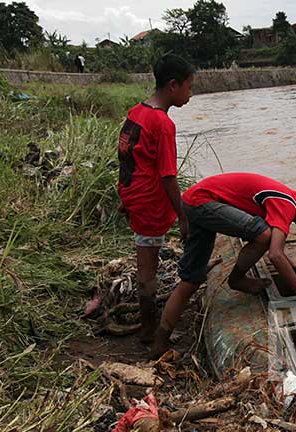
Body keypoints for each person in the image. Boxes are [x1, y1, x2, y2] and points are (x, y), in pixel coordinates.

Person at [149, 172, 296, 359]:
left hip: (195, 200)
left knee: (190, 281)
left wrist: (290, 262)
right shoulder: (286, 205)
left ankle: (160, 343)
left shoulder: (289, 202)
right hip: (204, 201)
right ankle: (237, 279)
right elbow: (275, 253)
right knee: (263, 236)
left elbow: (277, 244)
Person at [117, 53, 195, 344]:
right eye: (189, 87)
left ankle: (147, 325)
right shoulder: (162, 124)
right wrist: (184, 217)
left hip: (134, 197)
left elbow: (126, 160)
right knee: (147, 271)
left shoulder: (136, 112)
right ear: (173, 86)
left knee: (145, 265)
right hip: (150, 204)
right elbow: (168, 176)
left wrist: (125, 196)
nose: (191, 94)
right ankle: (149, 331)